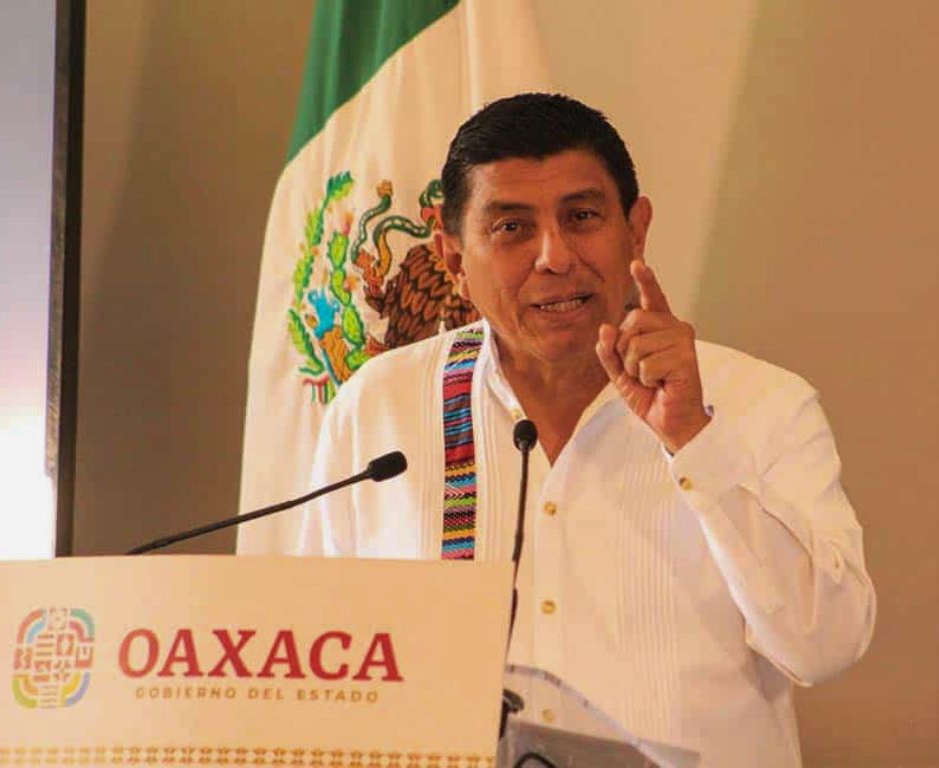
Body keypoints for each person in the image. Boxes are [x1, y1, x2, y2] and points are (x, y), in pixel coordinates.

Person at [298, 93, 875, 767]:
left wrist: (695, 440)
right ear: (453, 258)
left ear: (637, 228)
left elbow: (825, 645)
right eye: (511, 228)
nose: (554, 256)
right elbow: (325, 668)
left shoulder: (763, 403)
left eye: (581, 217)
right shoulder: (380, 409)